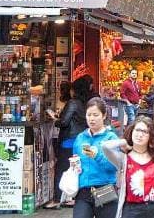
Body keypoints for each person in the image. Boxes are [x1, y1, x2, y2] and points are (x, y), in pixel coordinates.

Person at [102, 116, 154, 218]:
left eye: (145, 132)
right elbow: (105, 147)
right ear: (132, 131)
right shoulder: (124, 159)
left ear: (151, 136)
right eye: (137, 130)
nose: (140, 135)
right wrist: (123, 142)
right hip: (132, 211)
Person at [70, 97, 119, 218]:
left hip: (105, 189)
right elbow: (75, 159)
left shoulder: (111, 138)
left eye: (95, 115)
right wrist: (75, 165)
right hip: (83, 190)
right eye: (88, 115)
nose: (91, 119)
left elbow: (114, 166)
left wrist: (97, 156)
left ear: (104, 115)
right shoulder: (80, 138)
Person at [51, 77, 89, 208]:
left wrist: (55, 119)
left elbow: (63, 122)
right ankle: (73, 197)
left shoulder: (72, 103)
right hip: (78, 140)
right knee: (75, 168)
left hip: (68, 140)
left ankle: (57, 199)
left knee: (61, 168)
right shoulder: (83, 103)